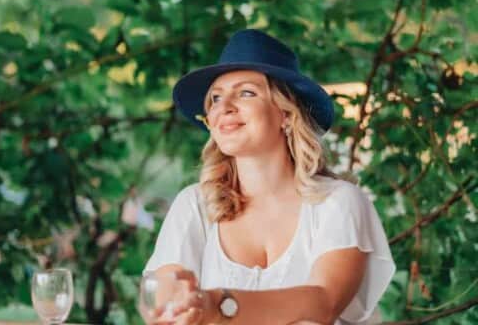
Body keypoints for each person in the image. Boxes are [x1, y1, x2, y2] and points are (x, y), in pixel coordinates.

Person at [141, 29, 396, 324]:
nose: (224, 107)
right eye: (215, 99)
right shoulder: (195, 205)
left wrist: (219, 305)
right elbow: (165, 297)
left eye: (246, 93)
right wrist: (176, 298)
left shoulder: (338, 202)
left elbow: (323, 302)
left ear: (287, 114)